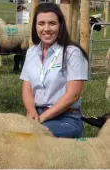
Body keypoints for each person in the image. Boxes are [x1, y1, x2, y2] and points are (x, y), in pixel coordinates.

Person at [20, 3, 88, 138]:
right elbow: (27, 88)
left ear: (60, 26)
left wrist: (42, 118)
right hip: (37, 114)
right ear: (35, 26)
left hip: (66, 118)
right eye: (41, 23)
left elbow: (73, 95)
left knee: (31, 137)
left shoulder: (71, 53)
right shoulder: (31, 52)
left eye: (52, 23)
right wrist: (31, 110)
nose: (46, 28)